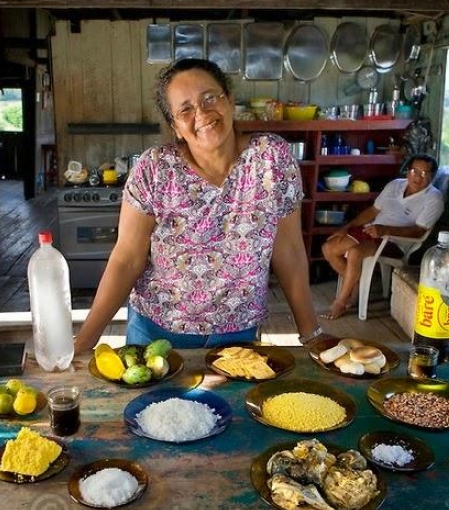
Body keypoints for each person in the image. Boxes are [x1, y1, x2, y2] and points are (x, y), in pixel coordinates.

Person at [73, 58, 328, 353]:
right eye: (185, 109)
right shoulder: (154, 169)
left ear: (230, 100)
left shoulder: (272, 159)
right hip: (156, 335)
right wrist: (85, 341)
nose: (202, 114)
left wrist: (312, 333)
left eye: (210, 98)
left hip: (239, 336)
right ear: (175, 126)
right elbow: (127, 259)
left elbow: (290, 251)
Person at [320, 154, 444, 320]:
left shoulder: (434, 198)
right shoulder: (395, 185)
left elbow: (419, 231)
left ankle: (341, 303)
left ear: (432, 176)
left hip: (396, 241)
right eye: (414, 171)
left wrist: (385, 230)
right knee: (328, 248)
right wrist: (346, 228)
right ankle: (355, 283)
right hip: (372, 231)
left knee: (356, 253)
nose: (417, 177)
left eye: (424, 173)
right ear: (408, 171)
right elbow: (373, 211)